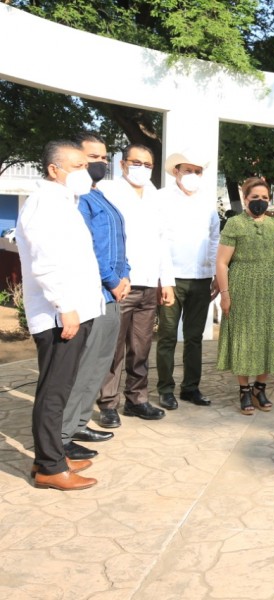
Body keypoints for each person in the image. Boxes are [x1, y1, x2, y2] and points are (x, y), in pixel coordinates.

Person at [16, 140, 104, 490]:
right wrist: (65, 308)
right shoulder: (43, 204)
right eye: (78, 165)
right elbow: (45, 263)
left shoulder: (65, 202)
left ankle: (49, 456)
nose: (86, 172)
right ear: (55, 169)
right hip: (60, 314)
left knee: (60, 388)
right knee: (53, 391)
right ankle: (50, 467)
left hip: (75, 310)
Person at [57, 133, 131, 460]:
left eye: (104, 158)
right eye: (92, 158)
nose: (99, 163)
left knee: (100, 363)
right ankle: (63, 431)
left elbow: (117, 240)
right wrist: (113, 279)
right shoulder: (76, 200)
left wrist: (125, 273)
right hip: (95, 292)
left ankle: (80, 421)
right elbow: (88, 248)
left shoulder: (97, 194)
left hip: (112, 292)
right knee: (84, 367)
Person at [97, 144, 175, 425]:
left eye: (147, 164)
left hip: (149, 284)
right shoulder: (108, 192)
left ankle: (137, 399)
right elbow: (104, 241)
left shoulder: (156, 197)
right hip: (121, 285)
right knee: (113, 347)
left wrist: (166, 281)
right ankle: (108, 403)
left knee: (141, 347)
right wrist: (113, 278)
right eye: (136, 162)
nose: (142, 168)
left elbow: (163, 240)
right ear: (122, 164)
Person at [216, 178, 274, 414]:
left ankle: (260, 387)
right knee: (243, 337)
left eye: (265, 198)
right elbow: (222, 262)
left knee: (267, 334)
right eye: (255, 198)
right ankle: (244, 390)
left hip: (270, 287)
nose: (260, 202)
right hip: (242, 285)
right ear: (245, 198)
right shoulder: (234, 224)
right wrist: (224, 294)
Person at [155, 150, 220, 410]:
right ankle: (165, 389)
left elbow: (214, 238)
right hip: (172, 279)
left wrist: (213, 273)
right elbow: (158, 240)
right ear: (176, 172)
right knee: (168, 336)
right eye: (187, 170)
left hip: (201, 279)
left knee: (195, 337)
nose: (192, 175)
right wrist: (165, 280)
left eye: (197, 171)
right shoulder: (161, 199)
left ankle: (190, 388)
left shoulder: (207, 202)